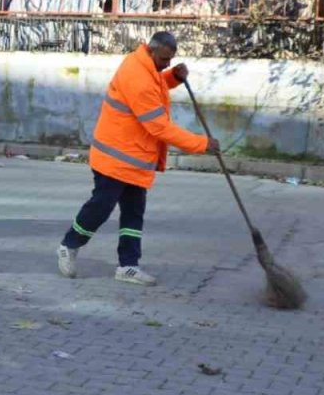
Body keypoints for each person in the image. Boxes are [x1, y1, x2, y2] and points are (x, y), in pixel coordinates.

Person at [57, 31, 219, 286]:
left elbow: (157, 86)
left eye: (171, 59)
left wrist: (172, 78)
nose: (167, 63)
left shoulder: (145, 65)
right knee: (101, 207)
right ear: (152, 51)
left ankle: (128, 266)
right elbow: (160, 127)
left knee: (134, 214)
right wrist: (202, 143)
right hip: (115, 157)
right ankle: (69, 245)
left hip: (134, 159)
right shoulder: (137, 76)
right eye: (165, 59)